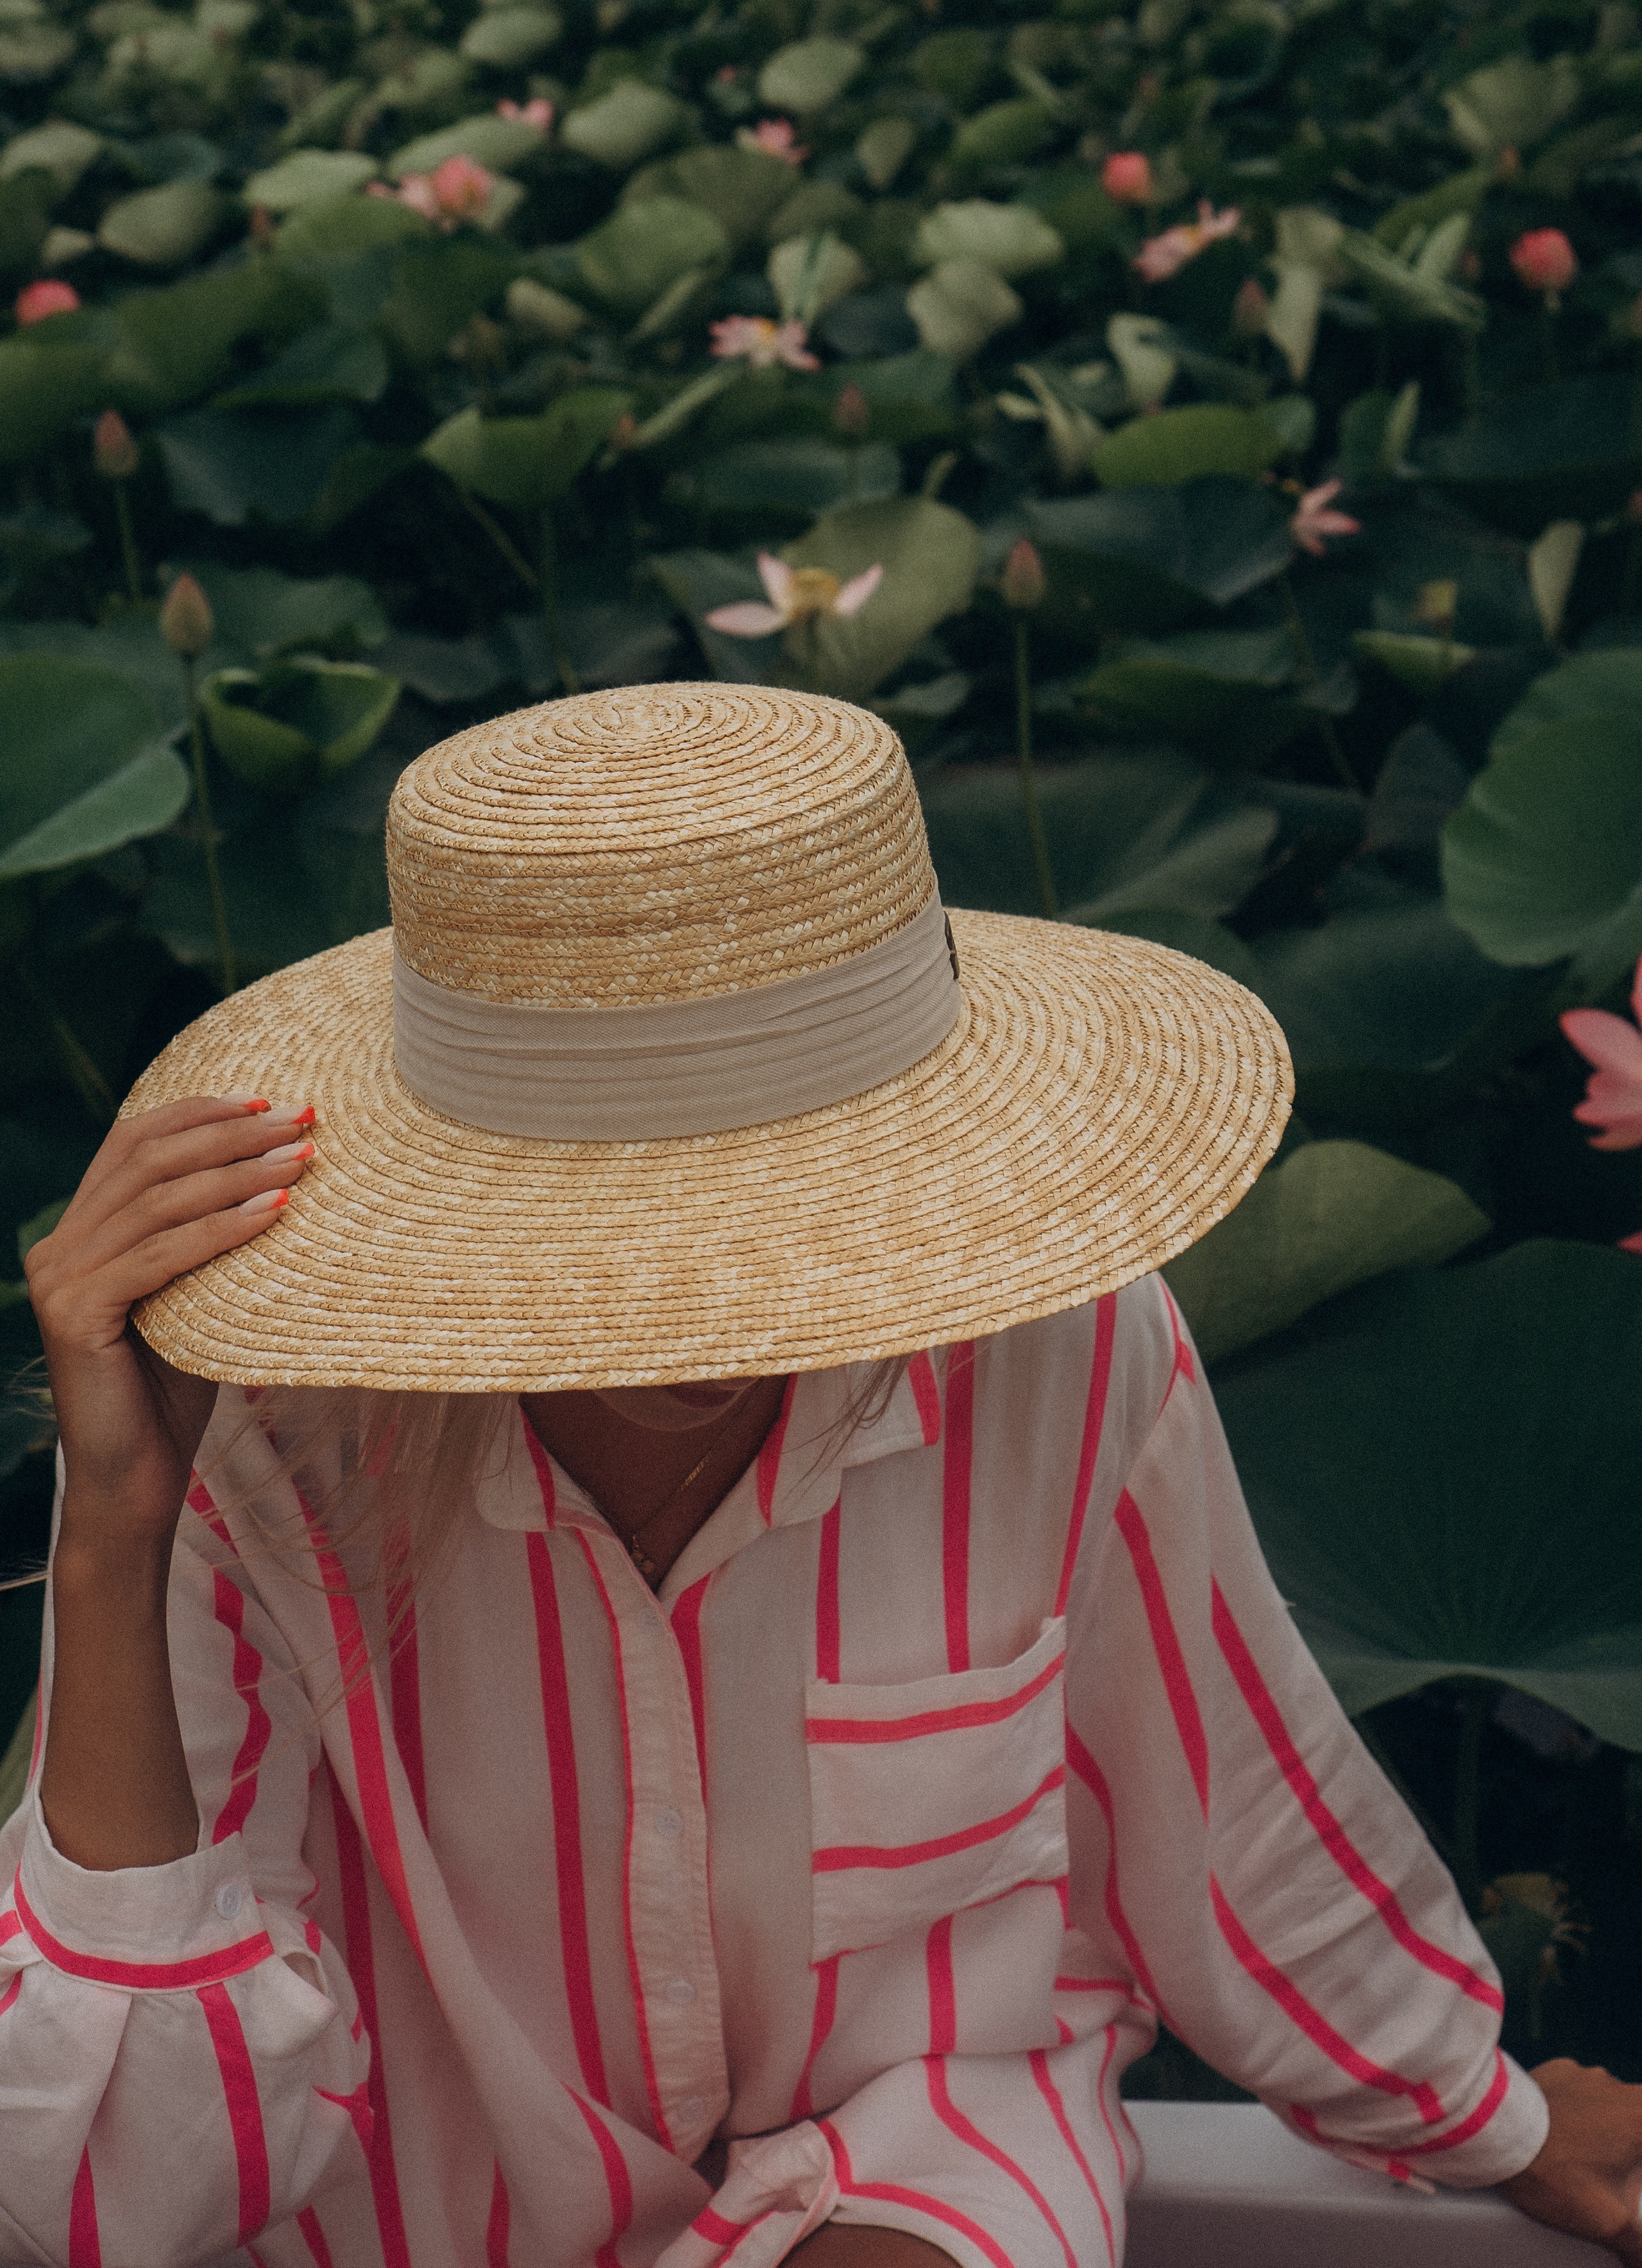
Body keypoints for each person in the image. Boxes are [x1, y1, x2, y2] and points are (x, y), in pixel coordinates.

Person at [7, 683, 1642, 2268]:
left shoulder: (1058, 1342)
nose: (703, 1292)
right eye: (598, 1210)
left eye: (777, 1190)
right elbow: (123, 2206)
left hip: (918, 2158)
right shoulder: (279, 1435)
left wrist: (1477, 2112)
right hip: (430, 2207)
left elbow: (1219, 1796)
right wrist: (113, 1536)